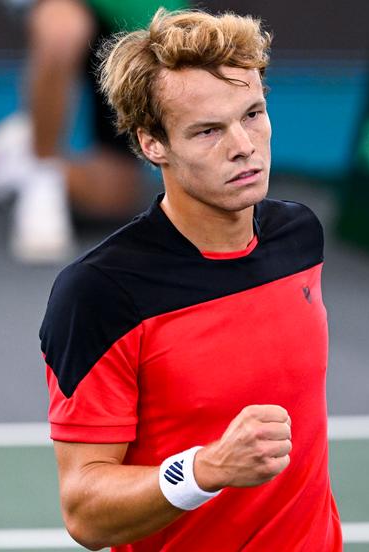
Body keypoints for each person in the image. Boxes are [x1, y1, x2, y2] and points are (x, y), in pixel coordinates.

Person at [39, 7, 342, 551]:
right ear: (153, 143)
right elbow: (85, 510)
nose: (243, 146)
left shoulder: (298, 238)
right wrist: (203, 470)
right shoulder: (102, 293)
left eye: (252, 114)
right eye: (208, 131)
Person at [0, 0, 183, 264]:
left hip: (142, 20)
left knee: (116, 197)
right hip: (72, 8)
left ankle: (14, 156)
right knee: (63, 29)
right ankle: (42, 173)